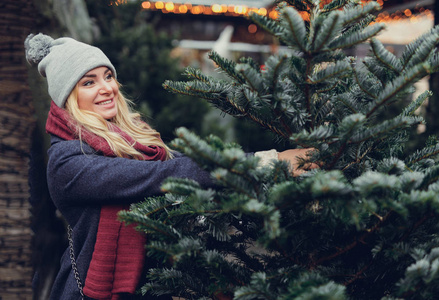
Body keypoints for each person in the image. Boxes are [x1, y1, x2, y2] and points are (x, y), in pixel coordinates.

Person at [24, 33, 318, 300]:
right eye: (89, 82)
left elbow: (193, 164)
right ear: (68, 97)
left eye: (108, 76)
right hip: (92, 293)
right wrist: (267, 161)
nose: (107, 88)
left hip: (155, 288)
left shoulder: (134, 141)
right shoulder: (67, 162)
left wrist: (279, 168)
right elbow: (161, 176)